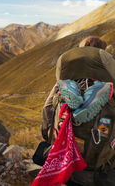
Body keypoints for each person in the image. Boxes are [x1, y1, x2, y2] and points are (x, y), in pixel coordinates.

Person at [40, 36, 115, 186]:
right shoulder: (112, 83)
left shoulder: (61, 83)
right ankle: (94, 93)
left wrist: (47, 136)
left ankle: (75, 93)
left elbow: (47, 110)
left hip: (65, 162)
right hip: (96, 171)